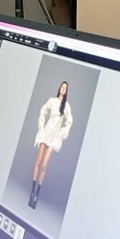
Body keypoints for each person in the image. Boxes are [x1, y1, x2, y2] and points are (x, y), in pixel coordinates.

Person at [29, 81, 73, 209]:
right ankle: (32, 192)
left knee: (44, 165)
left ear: (66, 91)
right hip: (46, 133)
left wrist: (62, 134)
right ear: (59, 88)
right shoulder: (52, 101)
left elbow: (69, 121)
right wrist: (41, 128)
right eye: (62, 86)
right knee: (38, 162)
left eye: (66, 87)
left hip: (54, 137)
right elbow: (43, 110)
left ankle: (37, 194)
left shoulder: (66, 106)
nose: (63, 89)